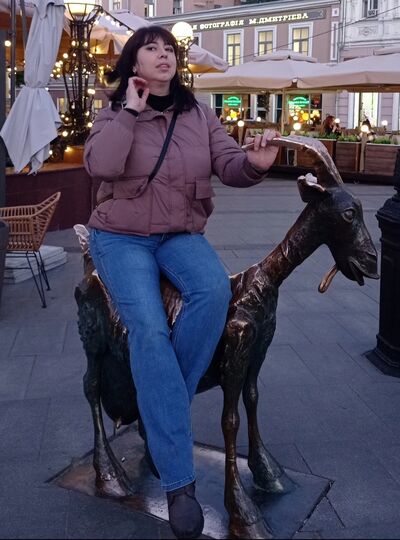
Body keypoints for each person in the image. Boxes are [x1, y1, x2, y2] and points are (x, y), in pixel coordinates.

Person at [84, 25, 279, 540]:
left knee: (213, 291)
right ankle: (179, 483)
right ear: (133, 64)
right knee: (149, 329)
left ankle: (160, 411)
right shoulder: (113, 112)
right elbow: (101, 165)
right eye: (150, 48)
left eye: (168, 48)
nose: (163, 54)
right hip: (121, 236)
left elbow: (228, 164)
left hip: (177, 234)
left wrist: (254, 165)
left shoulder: (198, 114)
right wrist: (130, 111)